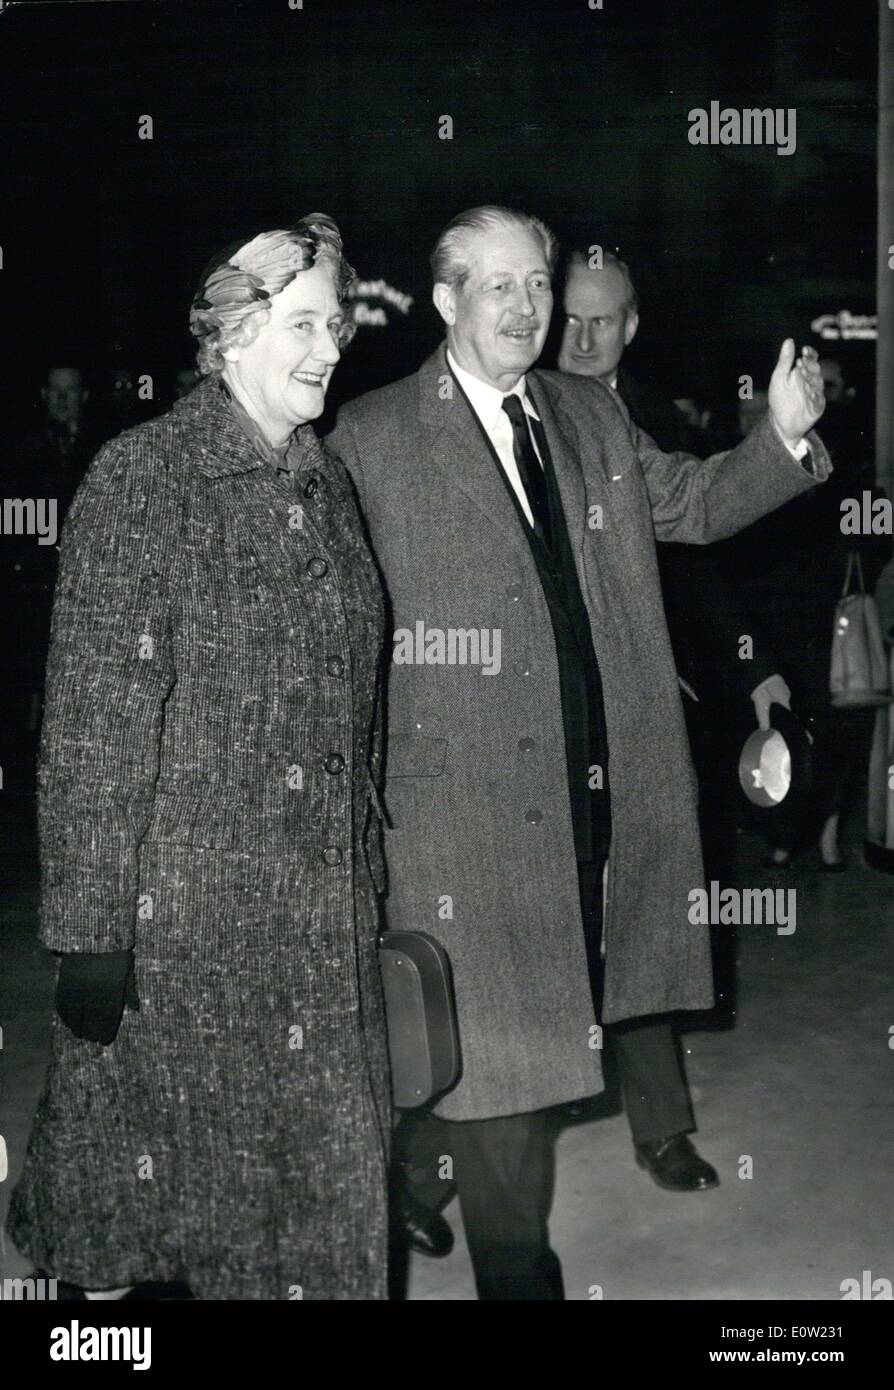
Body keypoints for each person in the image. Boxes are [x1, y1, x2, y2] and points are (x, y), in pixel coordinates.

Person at [328, 204, 829, 1299]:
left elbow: (693, 502)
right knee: (508, 1089)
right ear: (449, 299)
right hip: (463, 820)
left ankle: (410, 1178)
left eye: (537, 284)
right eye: (496, 285)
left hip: (601, 796)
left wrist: (781, 437)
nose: (525, 306)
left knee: (544, 1048)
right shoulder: (368, 440)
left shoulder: (588, 418)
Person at [6, 216, 391, 1301]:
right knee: (190, 1218)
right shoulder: (146, 481)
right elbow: (91, 727)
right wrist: (90, 934)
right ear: (231, 332)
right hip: (187, 938)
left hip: (319, 921)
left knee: (315, 1216)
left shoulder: (324, 484)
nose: (330, 347)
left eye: (339, 324)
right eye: (304, 322)